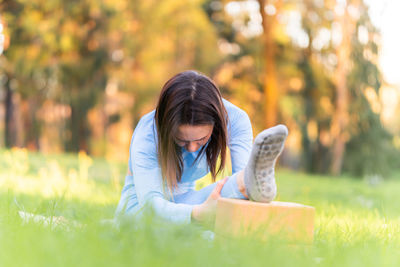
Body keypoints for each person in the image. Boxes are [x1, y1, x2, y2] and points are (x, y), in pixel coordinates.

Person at [115, 70, 288, 226]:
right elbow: (150, 204)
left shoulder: (235, 120)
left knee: (243, 184)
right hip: (140, 209)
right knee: (165, 227)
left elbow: (239, 189)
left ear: (217, 124)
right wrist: (198, 214)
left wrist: (242, 187)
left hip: (189, 200)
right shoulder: (148, 133)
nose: (191, 148)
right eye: (181, 140)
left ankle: (252, 179)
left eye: (201, 139)